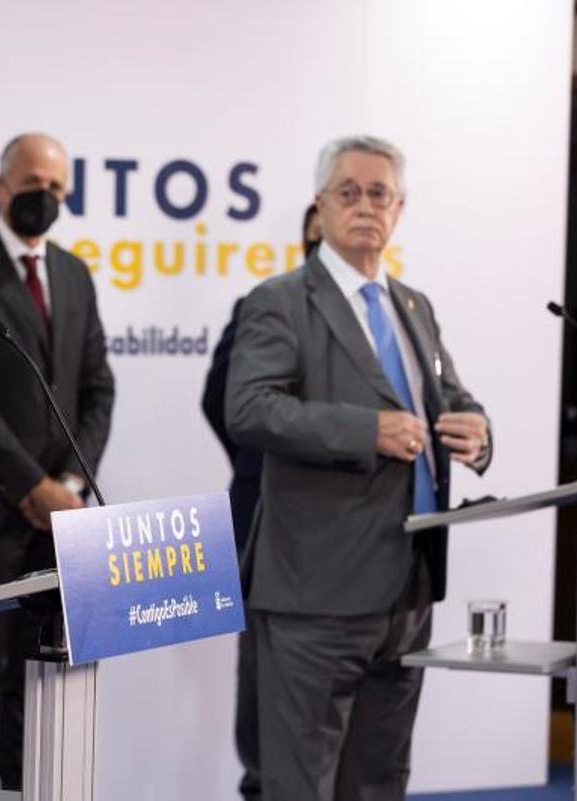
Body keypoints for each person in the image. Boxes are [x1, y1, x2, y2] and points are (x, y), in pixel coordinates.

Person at [225, 135, 491, 801]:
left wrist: (478, 432)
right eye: (349, 192)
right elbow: (250, 409)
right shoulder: (281, 300)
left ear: (400, 208)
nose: (365, 205)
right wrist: (365, 430)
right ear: (320, 205)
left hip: (407, 588)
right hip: (315, 593)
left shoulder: (413, 305)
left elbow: (450, 399)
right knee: (298, 784)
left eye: (379, 193)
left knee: (378, 780)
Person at [0, 132, 115, 790]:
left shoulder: (74, 272)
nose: (48, 197)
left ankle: (19, 791)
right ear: (0, 186)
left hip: (60, 516)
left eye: (59, 188)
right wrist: (30, 485)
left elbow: (98, 389)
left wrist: (65, 484)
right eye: (34, 183)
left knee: (33, 676)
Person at [202, 200, 322, 801]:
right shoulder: (265, 304)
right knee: (262, 694)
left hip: (363, 543)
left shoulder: (391, 317)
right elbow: (220, 401)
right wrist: (269, 468)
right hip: (264, 526)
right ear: (309, 231)